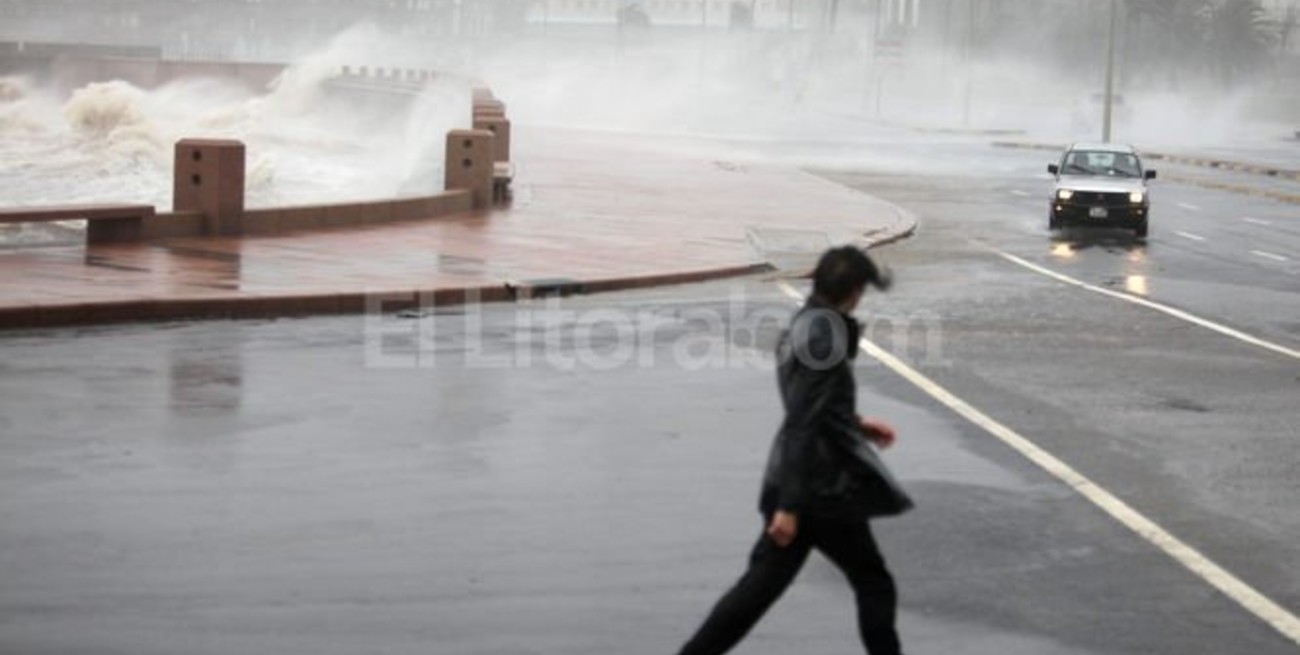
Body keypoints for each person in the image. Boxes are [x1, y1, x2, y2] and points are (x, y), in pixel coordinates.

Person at [676, 246, 913, 655]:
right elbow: (804, 418)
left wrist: (855, 425)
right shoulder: (823, 336)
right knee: (870, 583)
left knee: (761, 590)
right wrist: (789, 505)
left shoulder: (809, 322)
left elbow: (814, 406)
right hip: (817, 490)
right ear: (854, 290)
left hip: (809, 484)